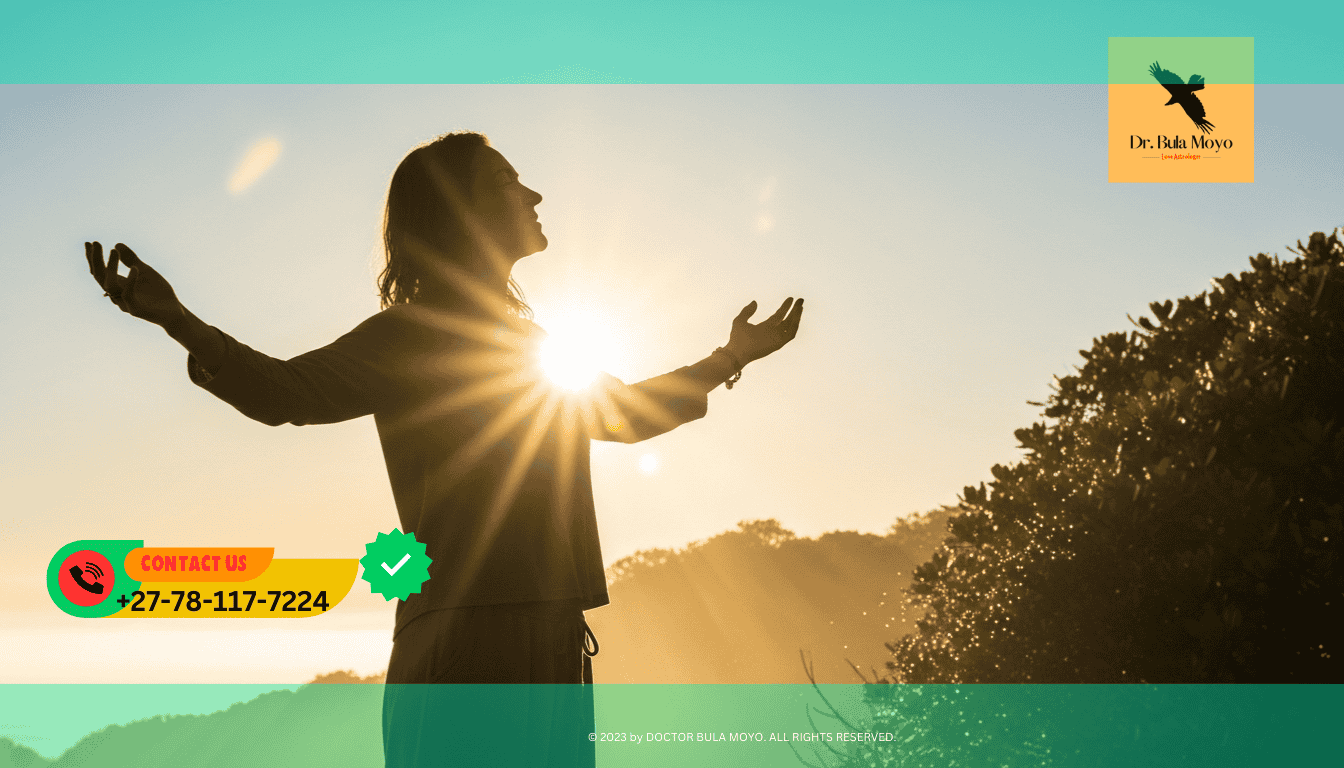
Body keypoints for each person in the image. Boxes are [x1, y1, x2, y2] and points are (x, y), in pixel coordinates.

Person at [85, 130, 803, 765]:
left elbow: (621, 413)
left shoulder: (531, 347)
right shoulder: (410, 336)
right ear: (461, 212)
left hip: (548, 638)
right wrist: (177, 319)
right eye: (506, 181)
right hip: (471, 643)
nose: (534, 192)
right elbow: (284, 394)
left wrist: (728, 356)